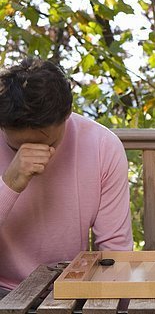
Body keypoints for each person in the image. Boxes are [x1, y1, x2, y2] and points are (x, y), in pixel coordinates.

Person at [0, 57, 133, 293]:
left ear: (67, 114)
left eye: (47, 144)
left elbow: (115, 250)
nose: (31, 156)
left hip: (71, 290)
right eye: (16, 148)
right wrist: (9, 185)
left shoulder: (103, 146)